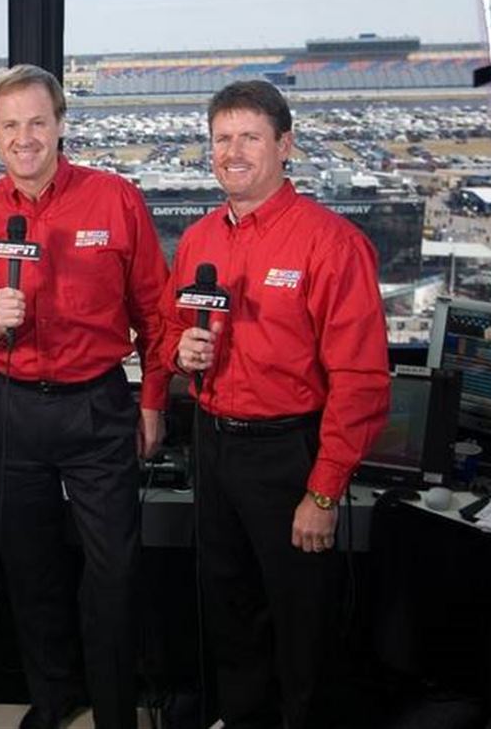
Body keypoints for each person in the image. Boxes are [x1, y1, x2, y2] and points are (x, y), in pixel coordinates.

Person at [0, 64, 171, 729]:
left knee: (114, 572)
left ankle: (114, 711)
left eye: (37, 121)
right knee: (31, 571)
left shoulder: (114, 199)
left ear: (62, 124)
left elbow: (156, 312)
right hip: (13, 407)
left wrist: (153, 399)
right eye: (9, 125)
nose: (25, 137)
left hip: (99, 405)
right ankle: (52, 703)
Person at [161, 79, 390, 729]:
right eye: (222, 139)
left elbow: (363, 382)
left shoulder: (330, 244)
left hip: (290, 452)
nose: (232, 152)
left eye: (249, 137)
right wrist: (182, 352)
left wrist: (321, 494)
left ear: (285, 145)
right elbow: (171, 329)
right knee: (229, 607)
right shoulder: (202, 239)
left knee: (302, 621)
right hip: (213, 442)